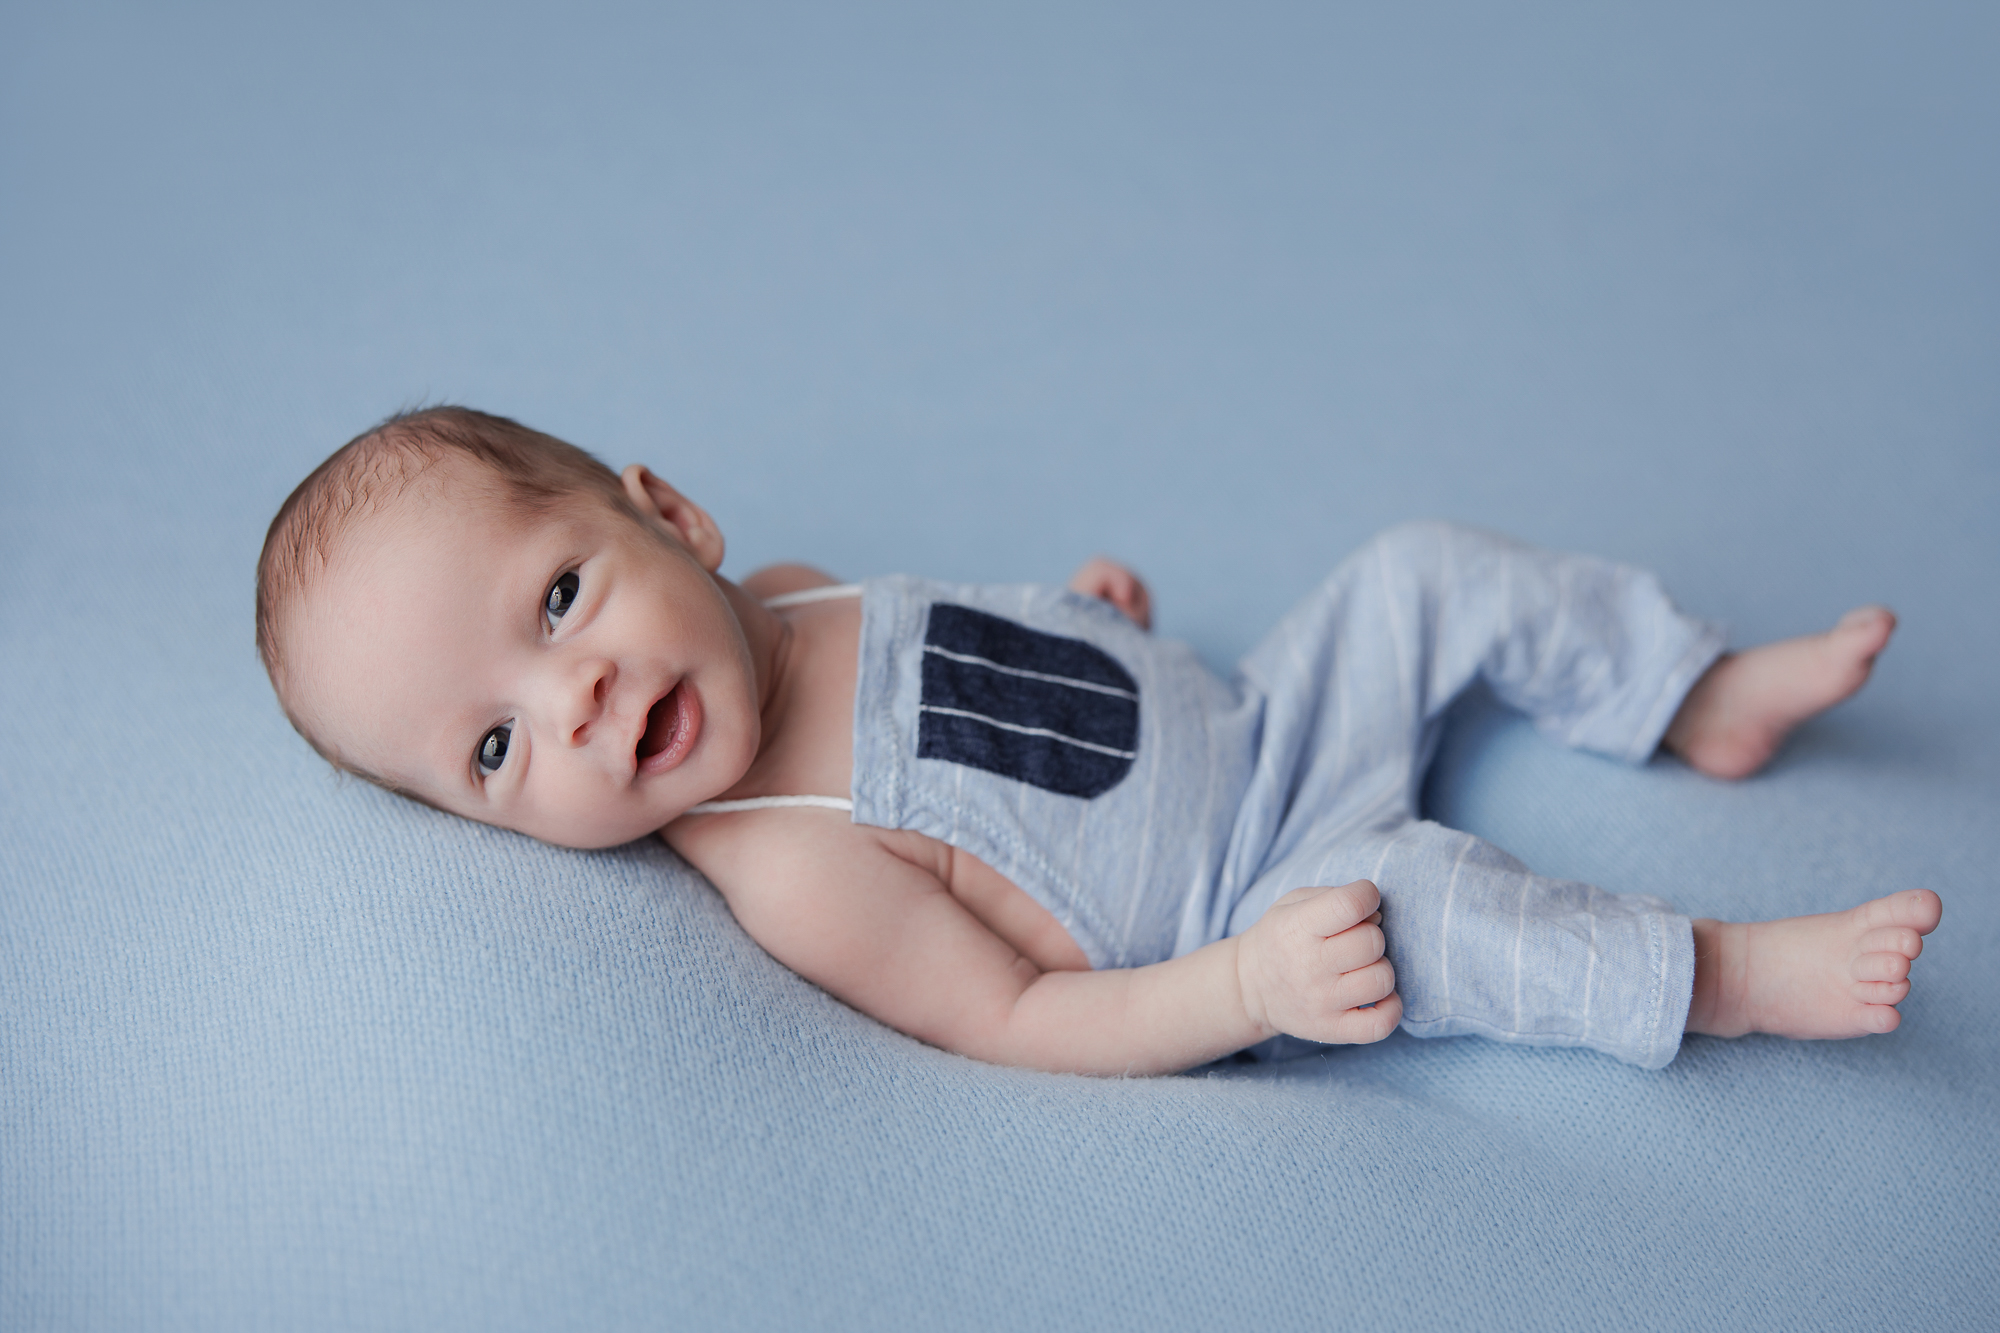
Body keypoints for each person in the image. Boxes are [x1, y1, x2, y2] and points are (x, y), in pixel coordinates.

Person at [255, 407, 1941, 1075]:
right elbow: (1016, 1013)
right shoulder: (786, 857)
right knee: (1437, 913)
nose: (576, 705)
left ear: (668, 513)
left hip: (1258, 717)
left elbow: (963, 671)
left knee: (1424, 565)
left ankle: (1678, 691)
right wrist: (1252, 991)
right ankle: (1718, 975)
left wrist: (1085, 625)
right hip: (1261, 888)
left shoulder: (783, 589)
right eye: (491, 752)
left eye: (557, 600)